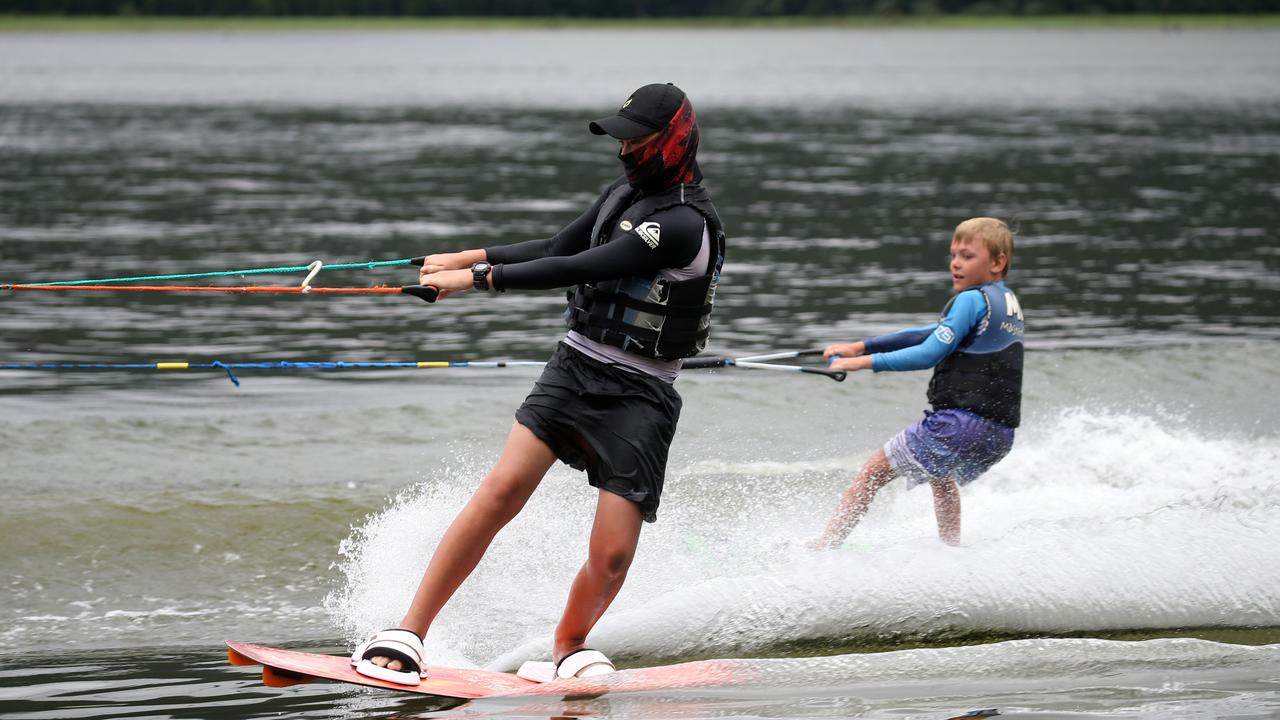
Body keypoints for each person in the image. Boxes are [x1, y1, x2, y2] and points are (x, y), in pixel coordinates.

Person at [349, 83, 725, 686]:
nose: (624, 150)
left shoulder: (683, 222)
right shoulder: (620, 195)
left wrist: (477, 280)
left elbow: (583, 267)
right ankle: (407, 632)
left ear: (673, 140)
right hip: (574, 368)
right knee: (500, 492)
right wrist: (456, 259)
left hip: (641, 394)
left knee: (612, 553)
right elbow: (556, 246)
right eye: (620, 138)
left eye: (636, 139)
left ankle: (569, 646)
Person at [811, 217, 1023, 549]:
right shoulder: (1003, 302)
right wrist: (863, 345)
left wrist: (861, 363)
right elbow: (930, 333)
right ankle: (951, 551)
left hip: (960, 425)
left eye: (967, 256)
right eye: (953, 255)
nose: (955, 263)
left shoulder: (971, 299)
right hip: (999, 433)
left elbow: (928, 353)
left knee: (872, 472)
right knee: (941, 476)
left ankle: (822, 549)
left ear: (997, 262)